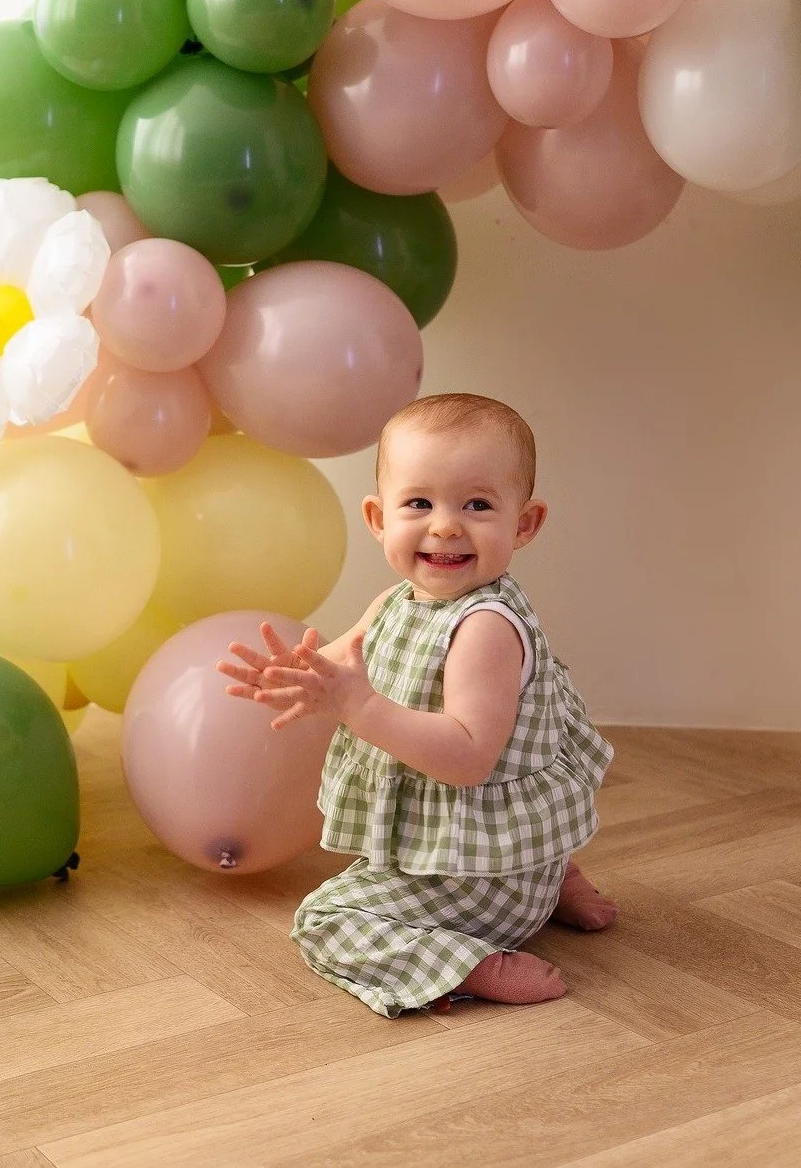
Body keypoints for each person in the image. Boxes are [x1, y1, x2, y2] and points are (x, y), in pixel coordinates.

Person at [218, 393, 617, 1017]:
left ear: (525, 524)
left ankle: (477, 960)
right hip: (503, 851)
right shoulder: (394, 604)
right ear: (379, 519)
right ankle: (554, 876)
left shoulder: (484, 628)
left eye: (477, 504)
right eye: (419, 503)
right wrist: (296, 675)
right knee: (524, 780)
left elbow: (468, 760)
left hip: (484, 884)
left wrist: (359, 709)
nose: (446, 525)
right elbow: (338, 662)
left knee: (323, 919)